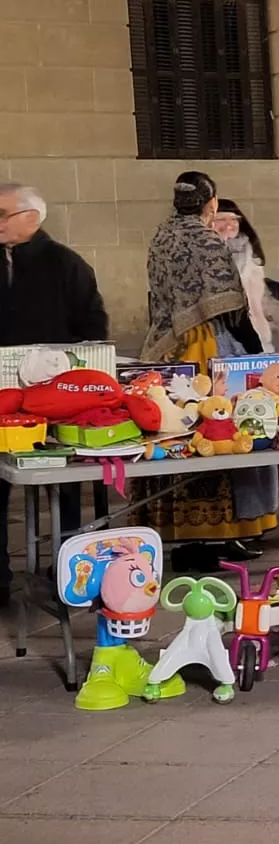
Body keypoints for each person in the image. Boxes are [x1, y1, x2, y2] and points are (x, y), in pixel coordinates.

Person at [136, 172, 276, 566]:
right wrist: (253, 351)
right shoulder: (206, 239)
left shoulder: (161, 237)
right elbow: (231, 305)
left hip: (167, 349)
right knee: (219, 429)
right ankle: (223, 534)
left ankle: (176, 531)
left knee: (174, 433)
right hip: (209, 347)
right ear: (209, 202)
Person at [0, 181, 106, 606]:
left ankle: (69, 569)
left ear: (31, 217)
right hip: (1, 398)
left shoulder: (67, 264)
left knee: (63, 486)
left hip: (55, 398)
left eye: (2, 214)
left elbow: (93, 329)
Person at [213, 199, 279, 353]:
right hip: (223, 334)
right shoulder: (208, 255)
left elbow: (262, 297)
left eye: (234, 219)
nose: (229, 224)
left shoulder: (250, 254)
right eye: (221, 219)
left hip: (257, 332)